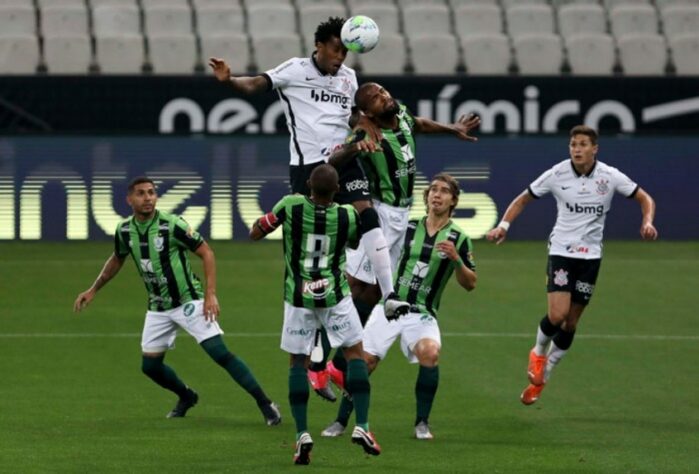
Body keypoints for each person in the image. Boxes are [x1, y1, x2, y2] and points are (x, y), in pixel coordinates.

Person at [209, 17, 409, 399]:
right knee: (319, 261)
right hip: (311, 172)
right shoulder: (295, 70)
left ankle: (389, 294)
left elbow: (351, 116)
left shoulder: (348, 79)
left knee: (370, 218)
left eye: (345, 51)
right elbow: (255, 85)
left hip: (344, 159)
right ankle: (315, 350)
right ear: (318, 45)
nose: (340, 57)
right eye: (336, 49)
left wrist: (363, 125)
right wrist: (230, 81)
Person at [314, 82, 480, 397]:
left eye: (384, 92)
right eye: (375, 98)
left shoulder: (400, 112)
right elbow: (331, 165)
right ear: (367, 113)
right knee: (351, 287)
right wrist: (352, 148)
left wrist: (453, 128)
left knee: (377, 290)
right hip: (380, 215)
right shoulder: (365, 134)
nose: (384, 97)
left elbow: (419, 124)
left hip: (402, 216)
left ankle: (336, 365)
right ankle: (318, 362)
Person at [73, 177, 281, 425]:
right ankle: (186, 396)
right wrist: (94, 288)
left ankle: (266, 404)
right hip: (158, 307)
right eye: (141, 193)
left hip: (189, 301)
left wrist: (210, 293)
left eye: (151, 192)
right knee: (150, 367)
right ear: (129, 200)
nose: (148, 197)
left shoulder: (172, 225)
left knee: (219, 353)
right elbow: (117, 258)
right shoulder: (124, 230)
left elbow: (206, 252)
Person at [485, 125, 658, 405]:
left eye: (582, 144)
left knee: (572, 322)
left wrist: (647, 220)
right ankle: (539, 353)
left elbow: (644, 197)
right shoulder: (557, 173)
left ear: (594, 148)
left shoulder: (610, 176)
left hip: (590, 257)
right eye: (573, 144)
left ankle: (544, 377)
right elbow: (523, 198)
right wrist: (503, 225)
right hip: (562, 251)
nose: (576, 149)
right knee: (557, 315)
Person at [321, 173, 477, 440]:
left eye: (444, 191)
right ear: (426, 196)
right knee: (364, 362)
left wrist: (456, 261)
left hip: (422, 314)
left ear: (453, 200)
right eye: (433, 190)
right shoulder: (407, 227)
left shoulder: (459, 239)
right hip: (390, 307)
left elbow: (470, 283)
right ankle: (341, 421)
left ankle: (422, 423)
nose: (436, 195)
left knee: (430, 354)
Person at [250, 164, 381, 465]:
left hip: (298, 297)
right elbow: (353, 243)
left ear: (308, 184)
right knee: (355, 354)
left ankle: (301, 435)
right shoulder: (348, 214)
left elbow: (256, 232)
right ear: (337, 190)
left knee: (297, 361)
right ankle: (362, 425)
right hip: (335, 295)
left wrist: (268, 222)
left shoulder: (290, 205)